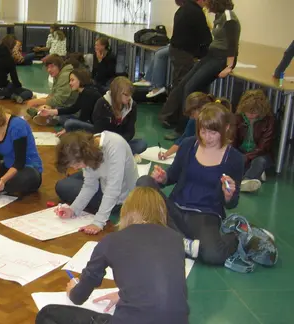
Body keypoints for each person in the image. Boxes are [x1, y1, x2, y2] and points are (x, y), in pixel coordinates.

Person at [37, 187, 189, 324]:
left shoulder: (111, 241)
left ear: (126, 211)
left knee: (47, 314)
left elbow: (79, 297)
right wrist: (125, 294)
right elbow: (165, 285)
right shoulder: (175, 239)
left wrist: (73, 291)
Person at [137, 103, 243, 265]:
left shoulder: (234, 158)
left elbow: (232, 203)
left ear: (226, 128)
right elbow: (172, 176)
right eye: (203, 131)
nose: (207, 137)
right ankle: (181, 241)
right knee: (144, 183)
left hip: (205, 215)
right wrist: (162, 178)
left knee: (213, 255)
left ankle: (237, 236)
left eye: (213, 132)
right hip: (175, 210)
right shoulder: (188, 144)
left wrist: (228, 195)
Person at [159, 0, 240, 139]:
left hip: (220, 59)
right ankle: (189, 125)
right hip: (211, 55)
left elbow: (233, 44)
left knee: (190, 88)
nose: (206, 6)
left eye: (209, 3)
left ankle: (182, 130)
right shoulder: (219, 16)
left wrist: (229, 66)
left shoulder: (229, 17)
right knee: (184, 84)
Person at [54, 131, 138, 235]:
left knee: (64, 186)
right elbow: (90, 185)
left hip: (122, 198)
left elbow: (113, 189)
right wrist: (73, 209)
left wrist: (98, 222)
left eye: (77, 164)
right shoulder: (87, 148)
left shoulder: (115, 145)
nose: (75, 168)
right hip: (104, 186)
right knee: (62, 186)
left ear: (84, 155)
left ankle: (106, 209)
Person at [159, 93, 230, 160]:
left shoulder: (218, 121)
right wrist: (166, 154)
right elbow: (183, 139)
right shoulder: (193, 121)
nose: (191, 117)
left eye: (192, 113)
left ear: (201, 110)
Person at [91, 76, 148, 157]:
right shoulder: (102, 103)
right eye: (126, 95)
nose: (129, 98)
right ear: (116, 93)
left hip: (121, 141)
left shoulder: (132, 105)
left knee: (142, 144)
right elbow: (98, 130)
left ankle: (116, 155)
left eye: (130, 95)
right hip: (104, 141)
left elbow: (130, 131)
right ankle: (121, 155)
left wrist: (120, 141)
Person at [233, 89, 275, 193]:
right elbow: (232, 140)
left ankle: (246, 181)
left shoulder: (269, 120)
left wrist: (247, 157)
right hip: (241, 151)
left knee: (260, 161)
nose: (250, 115)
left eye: (254, 112)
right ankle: (255, 172)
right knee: (232, 159)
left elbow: (263, 147)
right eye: (248, 111)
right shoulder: (237, 118)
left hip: (260, 153)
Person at [36, 68, 101, 134]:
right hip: (88, 121)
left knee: (69, 123)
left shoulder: (89, 93)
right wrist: (50, 112)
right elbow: (73, 109)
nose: (70, 83)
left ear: (81, 80)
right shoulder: (83, 91)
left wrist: (66, 130)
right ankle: (54, 119)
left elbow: (84, 118)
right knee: (62, 115)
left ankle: (55, 121)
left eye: (72, 80)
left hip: (95, 127)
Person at [27, 54, 78, 125]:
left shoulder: (64, 76)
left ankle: (46, 116)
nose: (49, 70)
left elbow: (58, 100)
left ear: (59, 66)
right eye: (47, 67)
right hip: (66, 104)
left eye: (52, 66)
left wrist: (37, 101)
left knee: (60, 116)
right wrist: (42, 101)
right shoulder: (58, 74)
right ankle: (43, 114)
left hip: (72, 109)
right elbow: (53, 94)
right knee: (43, 106)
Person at [0, 35, 33, 103]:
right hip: (0, 89)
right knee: (29, 92)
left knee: (9, 85)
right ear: (12, 46)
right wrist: (19, 88)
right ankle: (18, 97)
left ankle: (10, 95)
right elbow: (15, 81)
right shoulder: (9, 59)